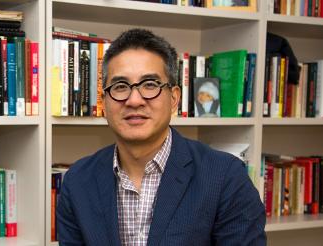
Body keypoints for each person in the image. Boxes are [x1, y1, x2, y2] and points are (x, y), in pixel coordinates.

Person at [57, 28, 266, 245]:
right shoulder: (78, 181)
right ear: (104, 103)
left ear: (174, 99)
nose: (134, 100)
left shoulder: (225, 177)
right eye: (120, 87)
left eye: (150, 85)